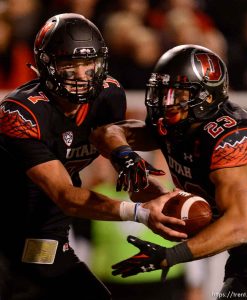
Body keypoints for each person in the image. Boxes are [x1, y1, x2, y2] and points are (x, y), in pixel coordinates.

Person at [0, 13, 186, 300]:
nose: (81, 74)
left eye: (88, 63)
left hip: (45, 229)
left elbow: (109, 141)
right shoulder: (22, 113)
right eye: (69, 64)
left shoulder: (108, 95)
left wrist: (145, 186)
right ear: (46, 64)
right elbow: (64, 194)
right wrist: (139, 214)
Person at [90, 44, 247, 299]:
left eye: (176, 95)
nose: (165, 103)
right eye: (161, 93)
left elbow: (240, 226)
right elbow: (105, 133)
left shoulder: (229, 137)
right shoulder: (178, 126)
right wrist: (125, 159)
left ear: (206, 96)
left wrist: (169, 256)